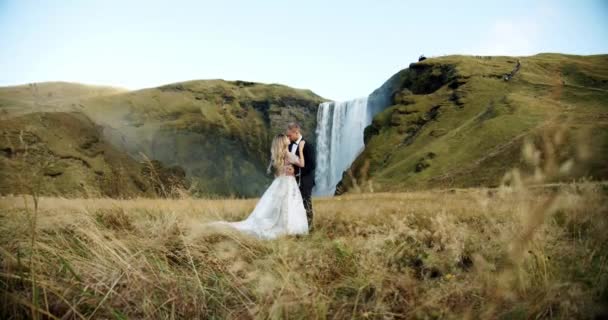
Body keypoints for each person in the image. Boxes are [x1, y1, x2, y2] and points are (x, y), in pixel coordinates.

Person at [209, 134, 308, 239]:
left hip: (279, 182)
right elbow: (302, 164)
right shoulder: (288, 154)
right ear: (283, 142)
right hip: (288, 183)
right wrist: (301, 149)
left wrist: (288, 170)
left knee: (278, 205)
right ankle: (289, 227)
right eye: (286, 138)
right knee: (288, 204)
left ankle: (284, 225)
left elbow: (278, 173)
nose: (289, 138)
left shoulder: (278, 156)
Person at [285, 122, 316, 231]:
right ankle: (297, 227)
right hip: (293, 180)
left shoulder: (308, 145)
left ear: (296, 132)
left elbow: (312, 165)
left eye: (289, 135)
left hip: (306, 180)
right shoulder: (289, 145)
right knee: (294, 204)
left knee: (306, 202)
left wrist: (297, 172)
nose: (288, 137)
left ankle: (310, 228)